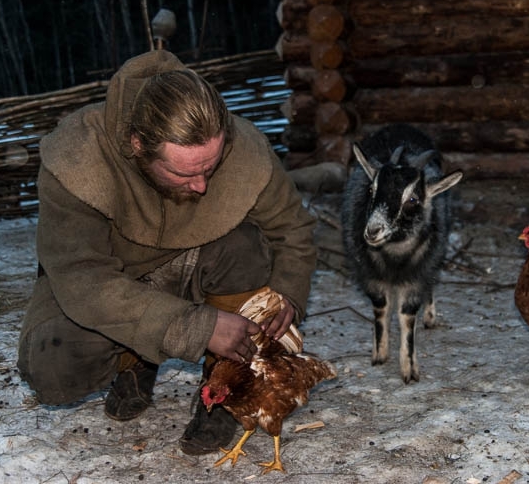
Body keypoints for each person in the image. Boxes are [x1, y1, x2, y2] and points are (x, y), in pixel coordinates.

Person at [17, 50, 317, 456]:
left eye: (209, 168)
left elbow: (292, 227)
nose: (201, 187)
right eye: (183, 173)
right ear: (137, 145)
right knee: (53, 368)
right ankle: (134, 358)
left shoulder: (243, 147)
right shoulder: (76, 159)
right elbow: (82, 280)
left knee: (246, 244)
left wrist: (288, 290)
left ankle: (224, 387)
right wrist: (193, 328)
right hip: (112, 283)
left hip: (196, 266)